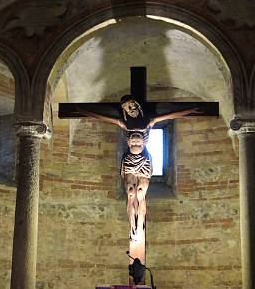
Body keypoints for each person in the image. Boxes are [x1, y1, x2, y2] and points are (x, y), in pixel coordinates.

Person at [76, 95, 199, 249]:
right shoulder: (125, 123)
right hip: (129, 162)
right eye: (127, 107)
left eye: (133, 105)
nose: (131, 108)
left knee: (140, 194)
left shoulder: (148, 120)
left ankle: (139, 227)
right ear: (124, 110)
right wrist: (84, 111)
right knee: (130, 193)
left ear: (137, 105)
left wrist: (189, 110)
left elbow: (168, 116)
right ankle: (132, 227)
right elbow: (104, 117)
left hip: (144, 161)